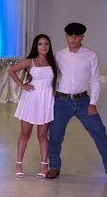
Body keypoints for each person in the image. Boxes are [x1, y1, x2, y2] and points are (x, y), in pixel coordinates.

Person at [46, 23, 107, 179]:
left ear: (82, 37)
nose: (73, 39)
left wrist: (93, 103)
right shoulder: (59, 55)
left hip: (83, 101)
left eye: (77, 36)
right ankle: (54, 166)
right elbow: (49, 76)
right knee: (55, 136)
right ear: (66, 37)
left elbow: (95, 80)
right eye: (70, 36)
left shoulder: (91, 55)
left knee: (100, 133)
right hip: (61, 101)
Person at [8, 34, 57, 179]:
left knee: (42, 135)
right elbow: (11, 70)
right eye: (40, 44)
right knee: (25, 134)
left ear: (49, 46)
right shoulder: (30, 62)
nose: (43, 47)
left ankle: (44, 165)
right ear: (36, 46)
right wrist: (22, 85)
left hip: (46, 100)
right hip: (31, 99)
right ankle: (19, 164)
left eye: (46, 44)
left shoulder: (53, 61)